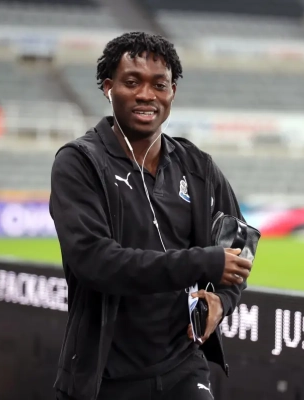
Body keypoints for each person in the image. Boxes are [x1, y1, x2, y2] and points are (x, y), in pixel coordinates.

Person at [49, 32, 254, 400]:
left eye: (159, 85)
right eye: (132, 82)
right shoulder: (80, 162)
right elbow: (95, 262)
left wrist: (222, 300)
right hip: (105, 376)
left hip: (183, 367)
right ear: (108, 88)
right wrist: (202, 262)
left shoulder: (197, 166)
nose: (146, 95)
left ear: (172, 92)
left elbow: (240, 244)